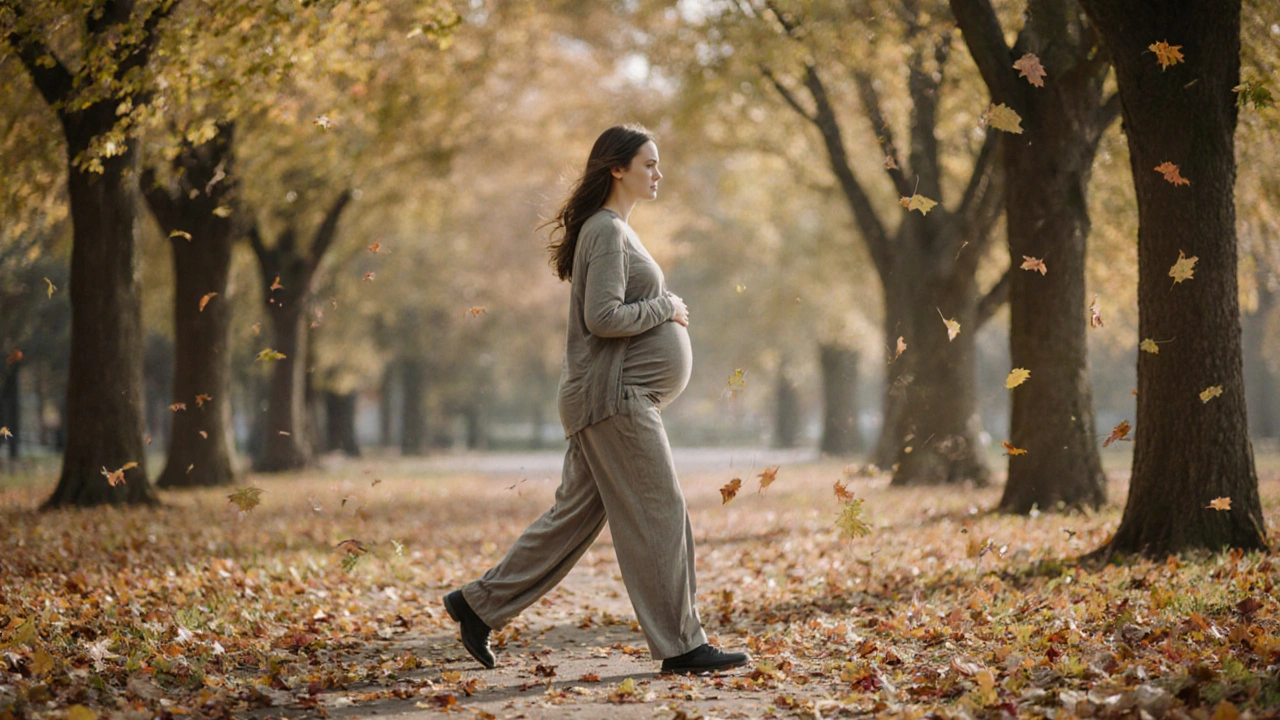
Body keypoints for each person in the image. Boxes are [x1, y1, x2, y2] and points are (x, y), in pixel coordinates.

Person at [443, 124, 750, 675]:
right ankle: (683, 645)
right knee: (661, 513)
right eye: (649, 164)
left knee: (571, 520)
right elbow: (603, 317)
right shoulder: (606, 231)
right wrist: (666, 307)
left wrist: (661, 309)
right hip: (615, 400)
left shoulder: (613, 230)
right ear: (617, 168)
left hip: (607, 399)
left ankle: (477, 605)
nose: (658, 174)